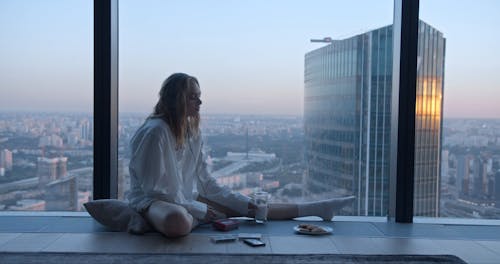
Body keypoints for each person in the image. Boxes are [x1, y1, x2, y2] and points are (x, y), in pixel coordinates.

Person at [127, 73, 355, 237]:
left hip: (186, 199)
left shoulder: (192, 134)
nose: (200, 102)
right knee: (177, 222)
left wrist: (237, 203)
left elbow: (206, 183)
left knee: (254, 209)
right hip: (154, 202)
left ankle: (317, 209)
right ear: (176, 98)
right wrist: (201, 209)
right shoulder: (155, 132)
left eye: (199, 96)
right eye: (193, 97)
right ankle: (137, 216)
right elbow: (156, 191)